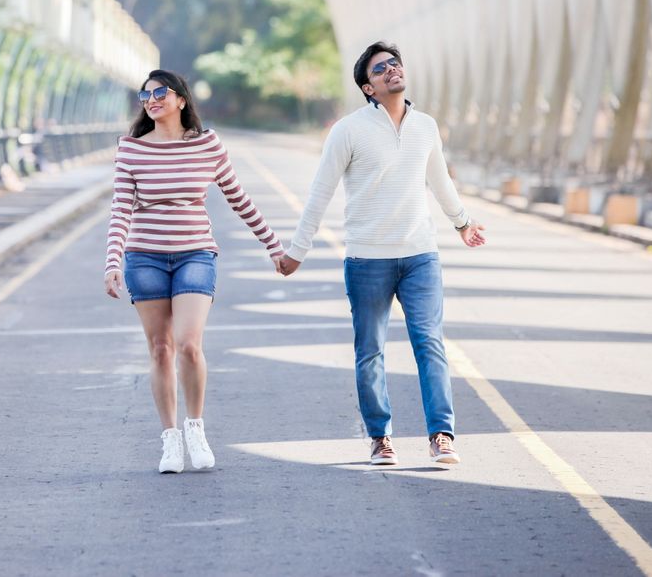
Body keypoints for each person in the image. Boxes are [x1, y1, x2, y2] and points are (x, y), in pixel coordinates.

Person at [276, 42, 486, 466]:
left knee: (430, 343)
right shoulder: (348, 130)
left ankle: (441, 435)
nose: (391, 71)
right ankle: (380, 437)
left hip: (420, 256)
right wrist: (297, 250)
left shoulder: (425, 126)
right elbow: (320, 192)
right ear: (367, 87)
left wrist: (463, 223)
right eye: (380, 69)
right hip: (367, 260)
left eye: (395, 64)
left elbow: (440, 181)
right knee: (370, 349)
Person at [104, 69, 284, 474]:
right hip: (144, 257)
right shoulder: (131, 149)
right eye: (145, 94)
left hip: (195, 255)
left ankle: (195, 428)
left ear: (181, 99)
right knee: (160, 349)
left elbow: (239, 198)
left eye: (161, 92)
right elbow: (120, 211)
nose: (152, 99)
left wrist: (273, 245)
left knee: (188, 344)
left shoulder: (207, 145)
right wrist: (112, 262)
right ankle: (170, 440)